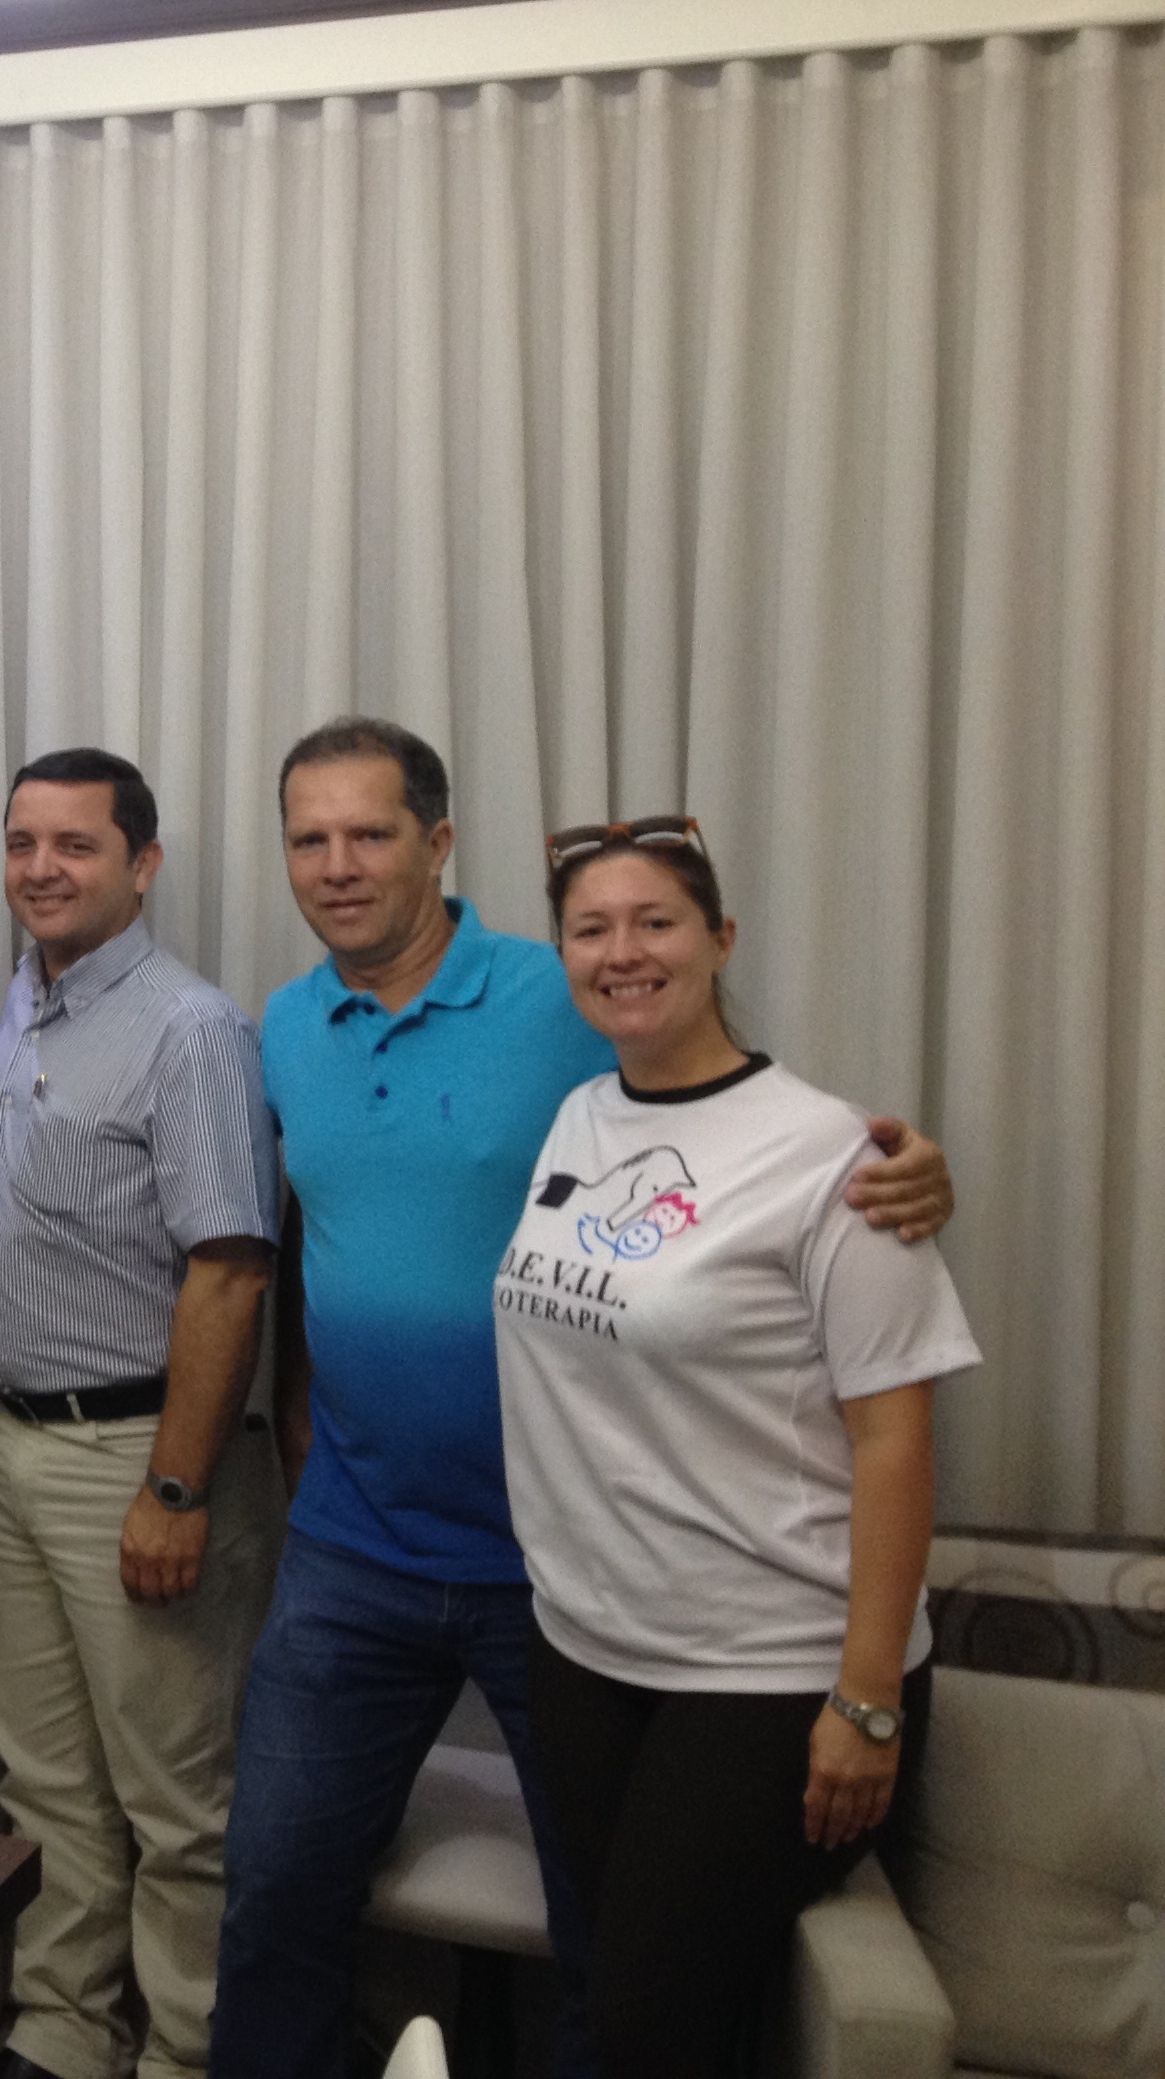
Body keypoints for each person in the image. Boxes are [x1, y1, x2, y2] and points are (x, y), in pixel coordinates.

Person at [210, 719, 956, 2079]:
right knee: (271, 1889)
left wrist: (905, 1167)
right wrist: (302, 1407)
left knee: (604, 1948)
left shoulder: (557, 994)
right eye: (309, 839)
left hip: (556, 1572)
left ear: (440, 843)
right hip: (355, 1543)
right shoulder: (287, 1027)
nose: (338, 865)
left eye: (370, 832)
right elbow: (317, 1223)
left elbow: (732, 1122)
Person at [497, 818, 969, 2078]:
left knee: (647, 2025)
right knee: (646, 1999)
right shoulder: (580, 1118)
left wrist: (866, 1698)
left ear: (721, 939)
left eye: (656, 922)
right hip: (587, 1646)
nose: (624, 952)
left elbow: (894, 1437)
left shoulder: (834, 1158)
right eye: (591, 929)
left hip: (771, 1669)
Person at [0, 752, 280, 2079]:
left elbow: (232, 1268)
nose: (42, 868)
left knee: (178, 1799)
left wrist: (175, 1488)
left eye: (75, 845)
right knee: (46, 1780)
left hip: (135, 1458)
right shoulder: (23, 1004)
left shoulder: (187, 1027)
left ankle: (190, 2051)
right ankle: (63, 2032)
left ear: (141, 865)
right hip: (10, 1443)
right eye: (23, 842)